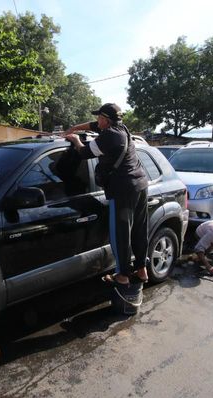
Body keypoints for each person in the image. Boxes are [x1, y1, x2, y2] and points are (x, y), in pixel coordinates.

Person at [63, 103, 149, 285]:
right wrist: (76, 128)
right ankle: (142, 270)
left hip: (123, 189)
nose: (96, 121)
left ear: (105, 119)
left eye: (99, 118)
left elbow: (85, 152)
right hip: (140, 184)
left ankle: (123, 275)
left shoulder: (109, 136)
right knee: (140, 230)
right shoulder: (121, 128)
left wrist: (75, 139)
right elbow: (93, 126)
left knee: (121, 233)